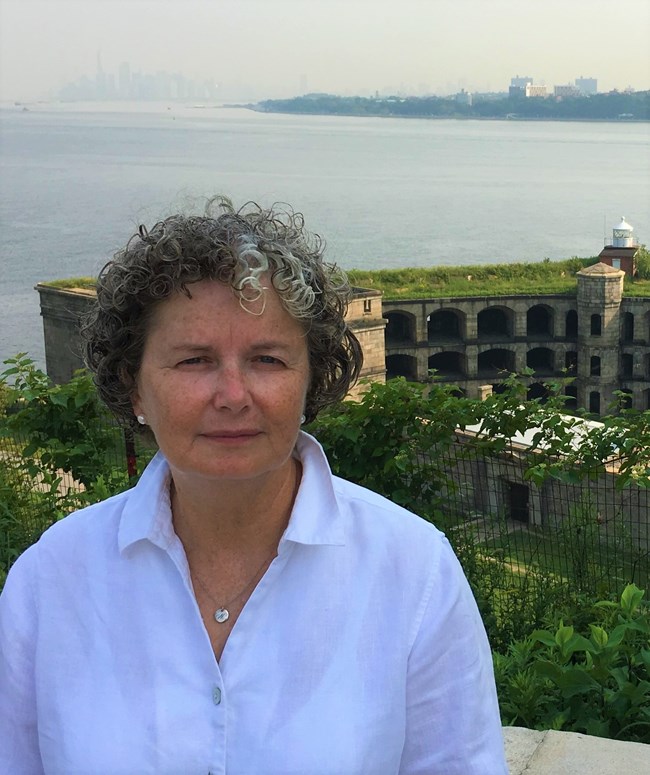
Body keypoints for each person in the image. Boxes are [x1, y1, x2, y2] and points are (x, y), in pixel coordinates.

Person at [0, 197, 507, 774]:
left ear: (310, 381)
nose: (234, 395)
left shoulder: (414, 573)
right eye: (194, 360)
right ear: (134, 387)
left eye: (267, 359)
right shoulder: (51, 580)